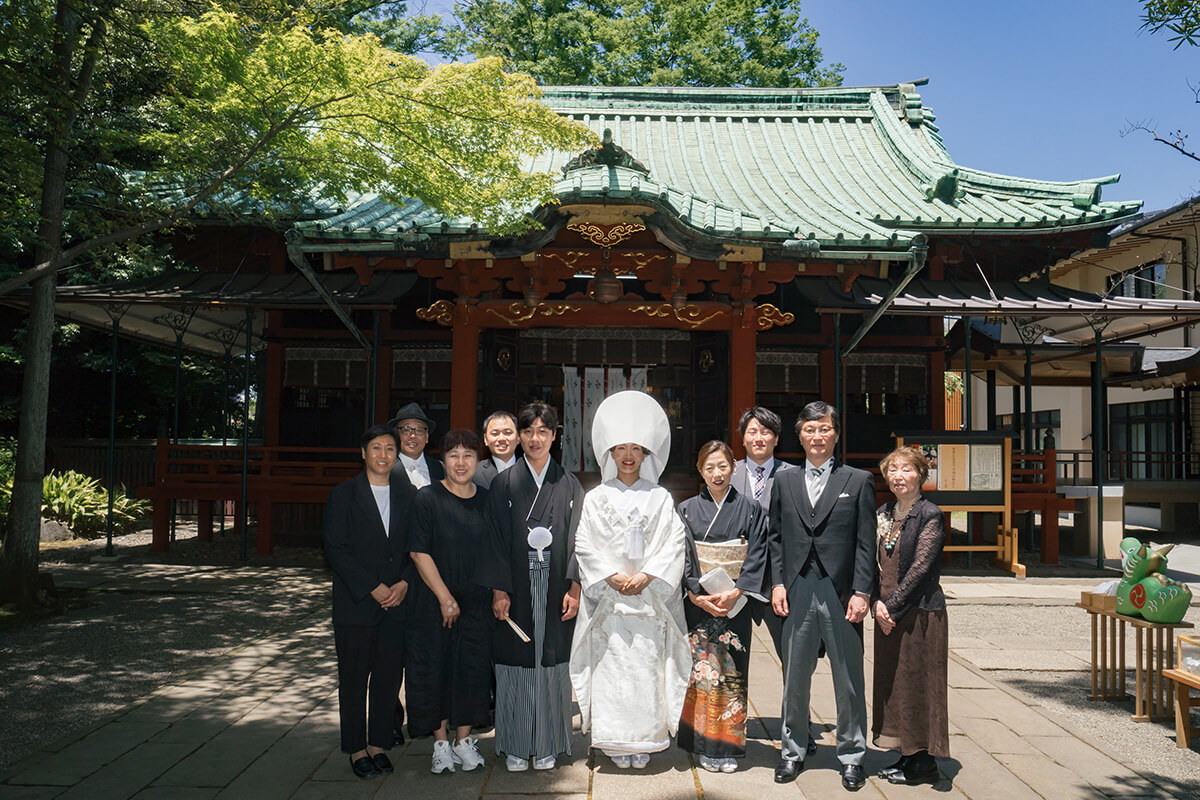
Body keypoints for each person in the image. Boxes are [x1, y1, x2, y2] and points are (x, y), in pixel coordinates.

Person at [570, 391, 690, 770]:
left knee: (646, 671)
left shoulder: (659, 497)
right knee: (612, 672)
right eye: (620, 447)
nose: (627, 455)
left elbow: (674, 543)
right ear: (608, 454)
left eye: (635, 448)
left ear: (646, 455)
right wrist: (610, 574)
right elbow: (583, 543)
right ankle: (613, 743)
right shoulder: (595, 497)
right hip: (609, 601)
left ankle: (647, 742)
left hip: (648, 600)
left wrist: (648, 574)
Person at [769, 401, 876, 791]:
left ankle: (851, 755)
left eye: (824, 429)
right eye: (810, 430)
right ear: (800, 435)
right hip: (797, 587)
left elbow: (866, 542)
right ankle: (792, 751)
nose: (817, 437)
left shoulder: (858, 480)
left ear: (836, 434)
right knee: (794, 675)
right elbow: (775, 537)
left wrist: (862, 591)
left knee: (848, 677)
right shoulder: (785, 480)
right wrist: (778, 582)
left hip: (841, 589)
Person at [475, 402, 584, 772]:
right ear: (520, 437)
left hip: (556, 586)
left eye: (543, 431)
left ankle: (550, 740)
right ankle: (518, 743)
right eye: (528, 432)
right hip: (516, 583)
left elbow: (578, 540)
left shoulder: (568, 483)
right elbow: (492, 539)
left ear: (554, 436)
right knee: (515, 662)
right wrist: (499, 590)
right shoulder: (504, 483)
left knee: (552, 661)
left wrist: (575, 586)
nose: (535, 438)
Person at [323, 424, 413, 780]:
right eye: (376, 448)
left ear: (396, 455)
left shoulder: (408, 495)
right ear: (363, 453)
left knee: (389, 679)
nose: (382, 455)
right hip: (357, 603)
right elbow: (336, 548)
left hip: (398, 601)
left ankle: (378, 745)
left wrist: (405, 582)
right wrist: (372, 587)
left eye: (389, 449)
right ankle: (356, 748)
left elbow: (418, 544)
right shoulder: (344, 494)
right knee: (354, 679)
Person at [677, 440, 769, 773]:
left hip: (736, 602)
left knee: (731, 673)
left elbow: (758, 553)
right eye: (709, 467)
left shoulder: (752, 509)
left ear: (734, 467)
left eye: (723, 466)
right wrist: (694, 593)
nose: (717, 474)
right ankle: (701, 743)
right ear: (700, 471)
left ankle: (727, 745)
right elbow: (684, 555)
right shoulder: (686, 509)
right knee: (702, 674)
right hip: (701, 602)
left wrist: (739, 590)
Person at [406, 429, 494, 774]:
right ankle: (441, 743)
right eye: (454, 455)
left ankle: (464, 740)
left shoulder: (486, 500)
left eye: (468, 455)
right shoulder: (427, 498)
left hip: (475, 602)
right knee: (434, 670)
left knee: (471, 671)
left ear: (478, 460)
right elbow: (418, 550)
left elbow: (495, 551)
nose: (461, 462)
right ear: (443, 460)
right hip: (433, 601)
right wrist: (444, 597)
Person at [871, 446, 949, 786]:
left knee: (920, 685)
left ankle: (924, 762)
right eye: (892, 470)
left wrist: (892, 606)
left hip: (919, 614)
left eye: (906, 469)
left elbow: (921, 568)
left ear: (921, 474)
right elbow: (870, 561)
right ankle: (905, 752)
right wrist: (876, 602)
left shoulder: (930, 514)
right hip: (886, 612)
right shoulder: (884, 512)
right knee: (895, 684)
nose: (898, 476)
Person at [389, 401, 445, 489]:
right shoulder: (387, 468)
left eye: (419, 430)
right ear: (397, 435)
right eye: (406, 429)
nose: (413, 435)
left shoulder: (439, 468)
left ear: (426, 437)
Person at [474, 410, 520, 489]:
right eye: (495, 434)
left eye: (508, 432)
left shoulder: (532, 471)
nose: (501, 438)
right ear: (485, 439)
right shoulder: (473, 473)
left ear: (518, 437)